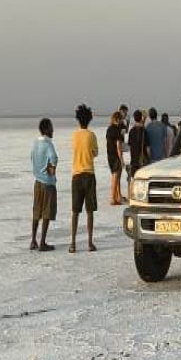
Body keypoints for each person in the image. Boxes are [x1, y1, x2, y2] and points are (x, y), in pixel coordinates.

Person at [70, 105, 99, 254]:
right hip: (89, 174)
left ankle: (73, 243)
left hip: (76, 175)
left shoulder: (74, 135)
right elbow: (95, 153)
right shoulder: (91, 135)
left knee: (75, 211)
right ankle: (89, 242)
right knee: (89, 211)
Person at [30, 119, 58, 251]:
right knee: (46, 212)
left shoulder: (36, 143)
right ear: (46, 129)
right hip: (48, 182)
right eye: (51, 127)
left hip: (37, 181)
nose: (53, 130)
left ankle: (33, 240)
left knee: (36, 211)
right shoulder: (48, 144)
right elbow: (54, 159)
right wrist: (51, 170)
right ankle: (42, 243)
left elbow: (32, 158)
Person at [106, 112, 125, 206]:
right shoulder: (117, 130)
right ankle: (113, 198)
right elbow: (118, 146)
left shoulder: (109, 129)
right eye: (121, 119)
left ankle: (116, 197)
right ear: (117, 119)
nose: (122, 121)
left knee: (114, 176)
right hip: (115, 155)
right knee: (115, 177)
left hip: (109, 155)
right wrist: (121, 159)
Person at [128, 110, 150, 178]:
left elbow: (130, 145)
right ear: (141, 118)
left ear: (134, 118)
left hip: (133, 160)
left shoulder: (131, 131)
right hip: (142, 160)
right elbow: (147, 147)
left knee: (133, 179)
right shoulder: (144, 131)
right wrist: (149, 158)